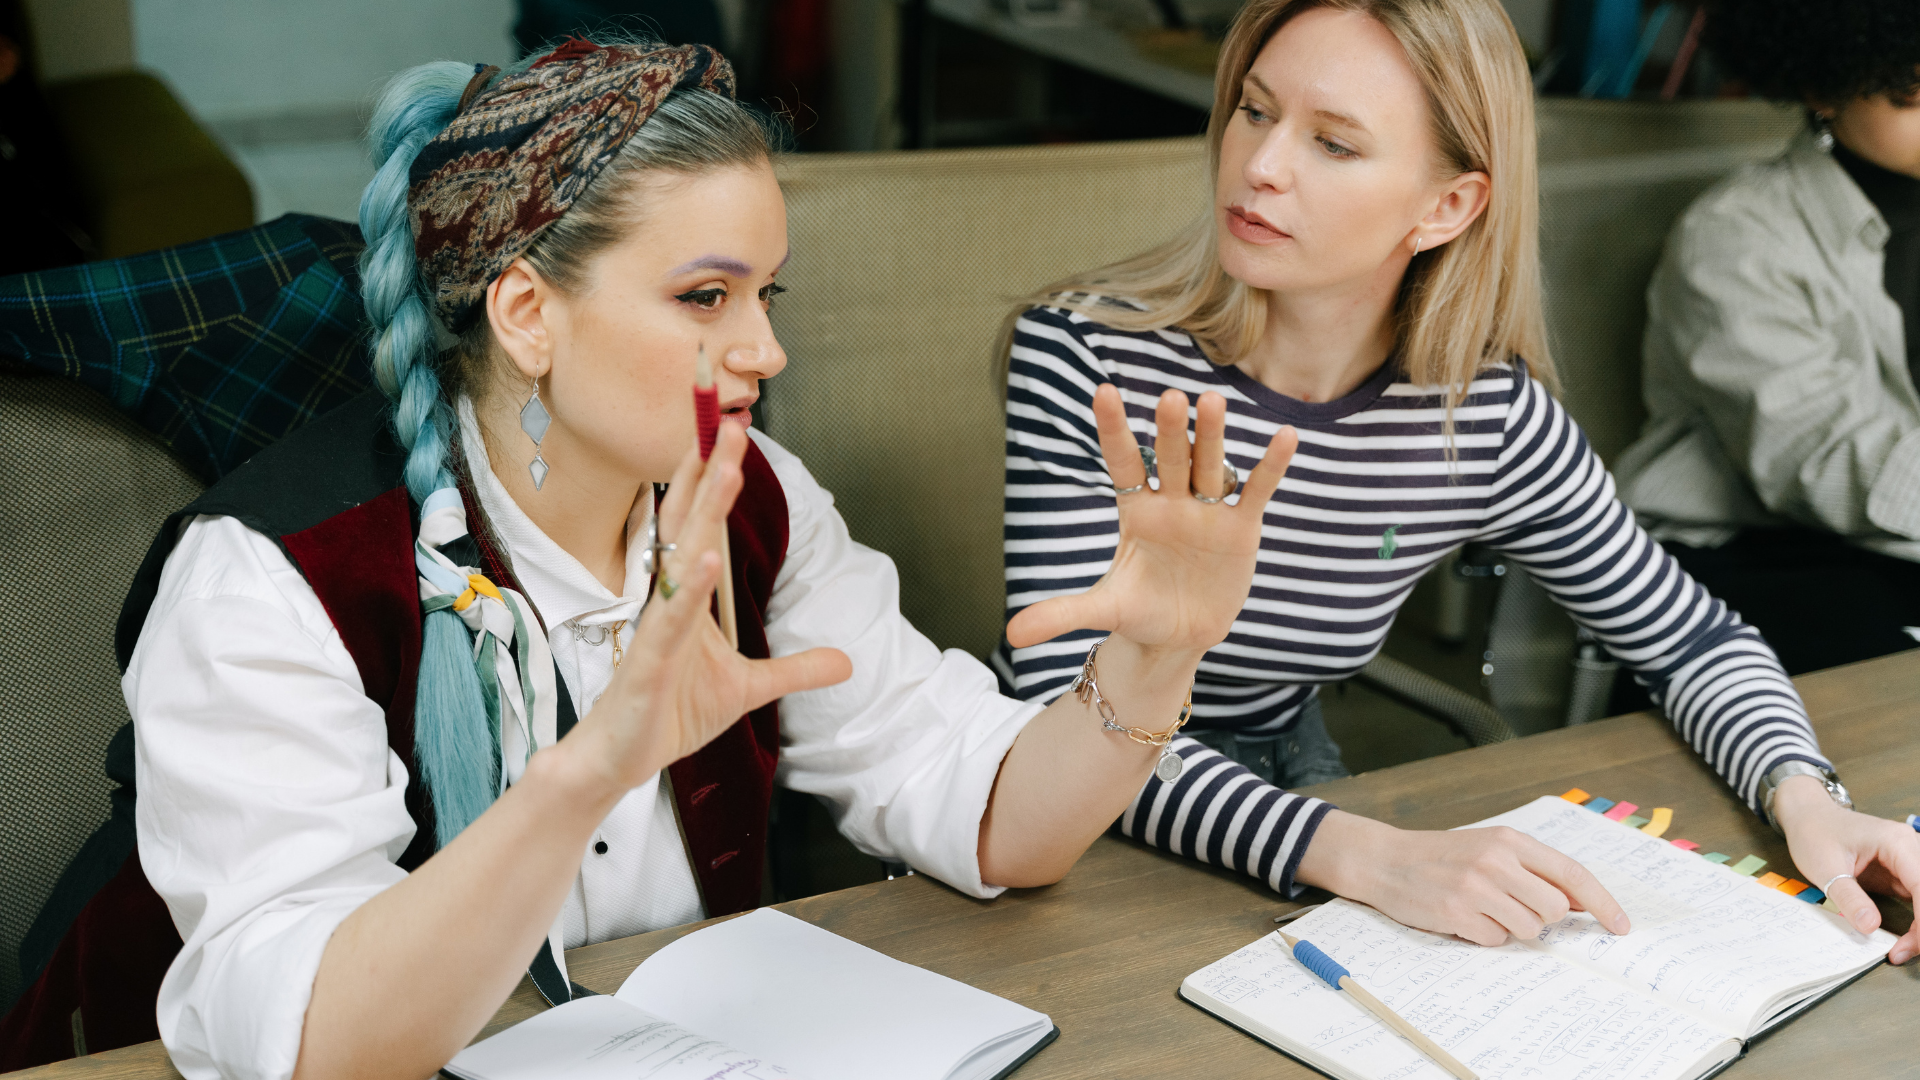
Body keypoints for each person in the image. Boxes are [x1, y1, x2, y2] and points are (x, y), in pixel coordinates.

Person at [4, 38, 1304, 1080]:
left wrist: (1155, 657)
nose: (764, 352)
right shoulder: (270, 579)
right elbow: (316, 1043)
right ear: (526, 315)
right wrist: (593, 768)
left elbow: (992, 820)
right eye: (703, 298)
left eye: (765, 296)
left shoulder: (760, 508)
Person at [995, 0, 1920, 965]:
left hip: (1294, 786)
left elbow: (1690, 638)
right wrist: (1369, 857)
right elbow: (1066, 706)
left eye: (1335, 145)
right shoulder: (1086, 358)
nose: (1261, 165)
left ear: (1447, 207)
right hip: (1063, 803)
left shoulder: (1481, 415)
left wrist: (1808, 800)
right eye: (1256, 111)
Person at [1612, 0, 1920, 677]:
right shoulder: (1735, 237)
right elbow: (1821, 457)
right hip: (1748, 554)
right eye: (1911, 95)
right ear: (1824, 88)